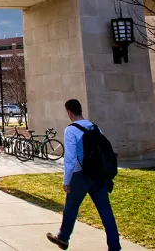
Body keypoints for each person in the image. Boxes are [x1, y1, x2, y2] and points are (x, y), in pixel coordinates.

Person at [46, 99, 120, 251]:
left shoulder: (71, 130)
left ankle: (63, 237)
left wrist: (66, 181)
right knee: (106, 210)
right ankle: (114, 246)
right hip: (99, 176)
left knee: (71, 207)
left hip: (80, 175)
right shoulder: (94, 127)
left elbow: (70, 158)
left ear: (69, 112)